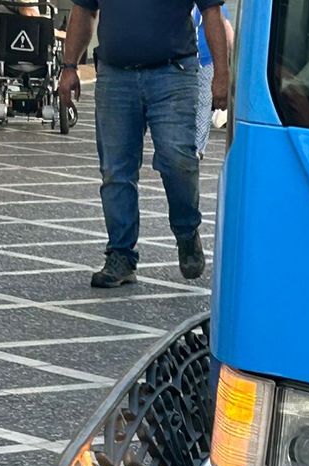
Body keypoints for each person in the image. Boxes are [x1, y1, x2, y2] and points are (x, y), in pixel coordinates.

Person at [58, 0, 230, 289]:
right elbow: (83, 11)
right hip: (115, 75)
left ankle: (187, 231)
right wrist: (69, 66)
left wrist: (222, 77)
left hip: (173, 73)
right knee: (115, 171)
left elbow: (212, 13)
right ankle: (121, 256)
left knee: (178, 161)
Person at [193, 2, 233, 157]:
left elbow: (225, 27)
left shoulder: (214, 7)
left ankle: (198, 148)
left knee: (204, 104)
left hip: (206, 60)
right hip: (185, 60)